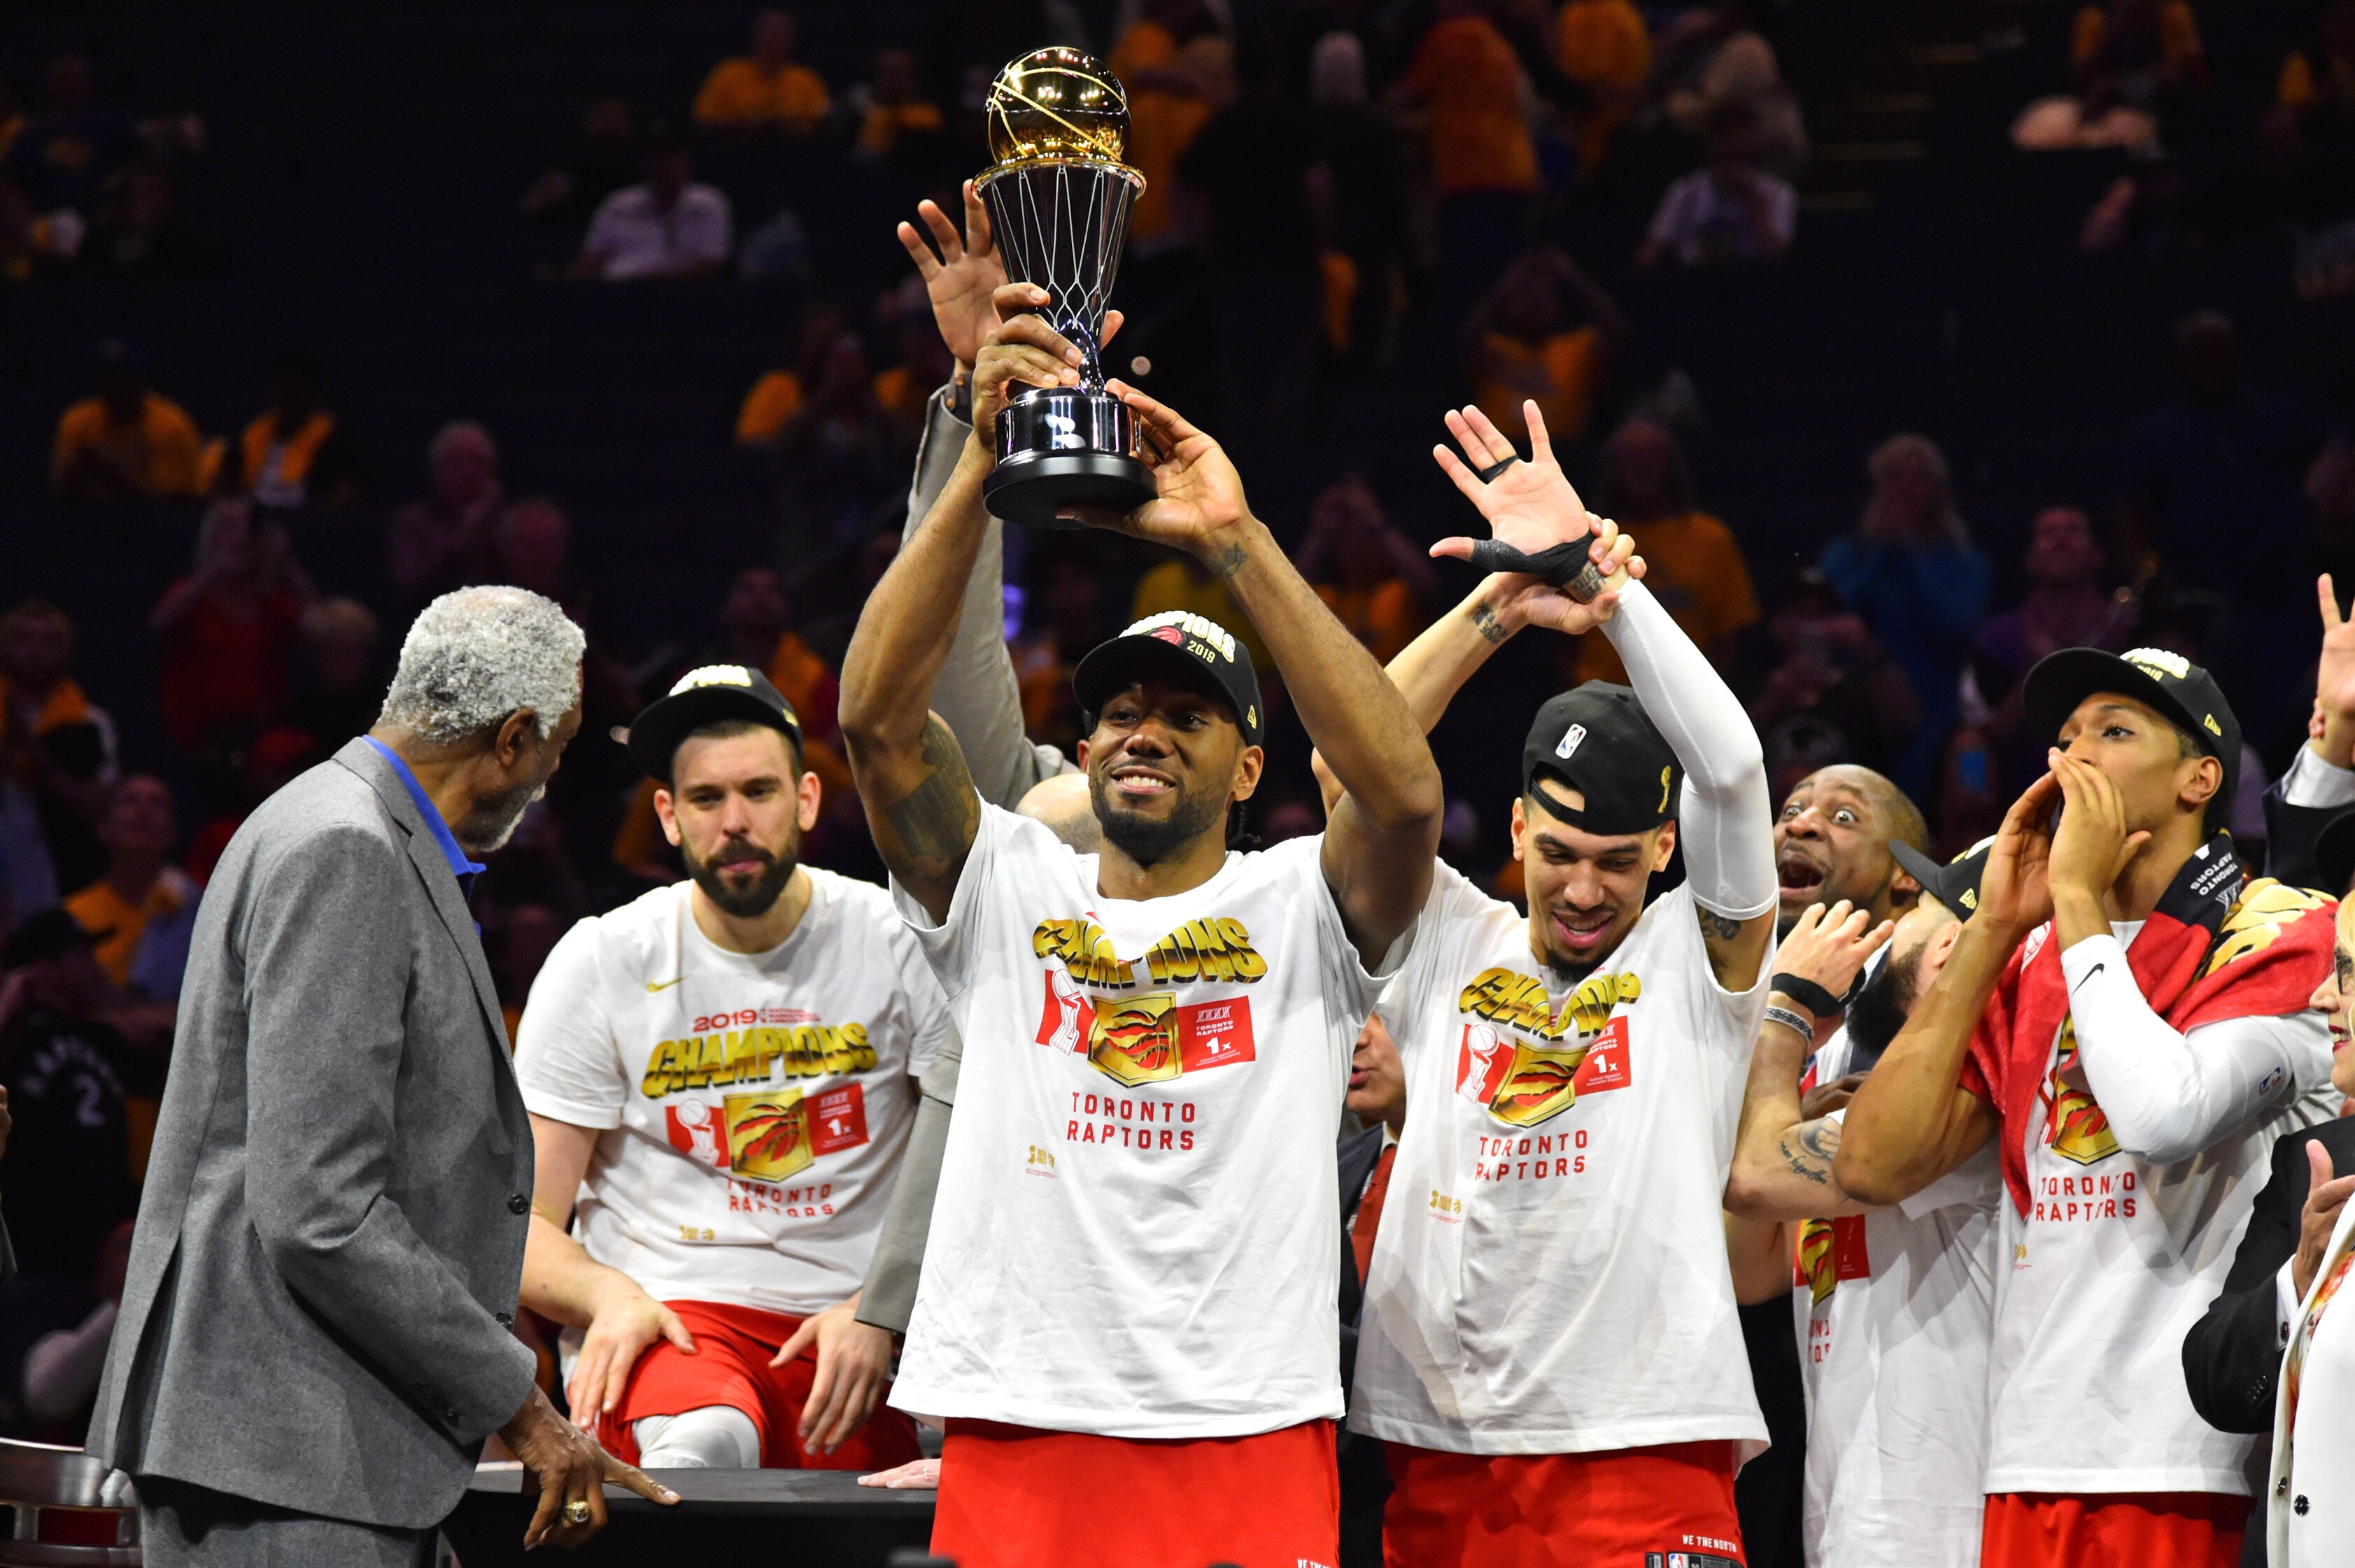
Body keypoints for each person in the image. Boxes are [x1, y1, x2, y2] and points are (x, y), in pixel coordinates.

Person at [835, 285, 1443, 1567]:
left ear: (1244, 768)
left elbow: (1401, 792)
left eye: (1188, 712)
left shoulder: (1300, 906)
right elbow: (877, 722)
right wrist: (982, 465)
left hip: (1248, 1422)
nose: (1143, 730)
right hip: (1020, 1412)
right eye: (1118, 711)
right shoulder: (1006, 888)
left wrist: (1237, 541)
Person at [87, 586, 676, 1561]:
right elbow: (321, 1206)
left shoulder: (325, 820)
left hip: (314, 1455)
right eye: (559, 749)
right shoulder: (346, 849)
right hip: (280, 1457)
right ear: (513, 735)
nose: (549, 780)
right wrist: (518, 1403)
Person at [1345, 400, 1779, 1565]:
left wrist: (1604, 586)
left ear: (1662, 853)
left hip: (1645, 1446)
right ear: (1522, 827)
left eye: (1615, 862)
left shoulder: (1695, 957)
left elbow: (1733, 773)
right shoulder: (1449, 934)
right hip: (1437, 1448)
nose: (1583, 891)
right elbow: (1359, 767)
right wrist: (1495, 608)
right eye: (1560, 855)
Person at [1835, 645, 2340, 1568]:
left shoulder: (2278, 931)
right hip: (2024, 1448)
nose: (2072, 759)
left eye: (2112, 732)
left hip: (2187, 1458)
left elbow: (2161, 1116)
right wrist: (1991, 925)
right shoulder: (2028, 954)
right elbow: (1870, 1164)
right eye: (2063, 738)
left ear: (2200, 777)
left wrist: (2069, 900)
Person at [514, 665, 940, 1471]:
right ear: (669, 819)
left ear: (807, 799)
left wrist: (884, 1310)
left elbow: (973, 1172)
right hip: (673, 1319)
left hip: (848, 1333)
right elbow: (521, 1229)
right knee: (708, 1444)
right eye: (707, 800)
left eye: (759, 791)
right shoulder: (604, 960)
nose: (735, 821)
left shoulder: (897, 940)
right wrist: (611, 1296)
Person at [1724, 843, 2003, 1568]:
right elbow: (1748, 1267)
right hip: (1861, 1520)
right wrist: (1790, 1120)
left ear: (1947, 949)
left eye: (1913, 908)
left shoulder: (1966, 1095)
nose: (1894, 927)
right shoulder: (1877, 1109)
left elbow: (1753, 1176)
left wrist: (1785, 1001)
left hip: (1936, 1531)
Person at [2181, 819, 2355, 1567]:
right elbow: (2218, 1382)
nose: (2323, 997)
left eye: (2346, 969)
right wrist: (2300, 1277)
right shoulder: (2314, 1165)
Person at [1817, 433, 1992, 800]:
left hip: (1938, 717)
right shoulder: (1849, 554)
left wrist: (1909, 551)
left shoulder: (1965, 563)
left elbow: (1956, 628)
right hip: (1859, 712)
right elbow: (1832, 614)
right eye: (1895, 477)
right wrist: (1883, 548)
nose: (1907, 489)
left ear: (1939, 488)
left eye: (1919, 478)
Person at [1571, 418, 1757, 687]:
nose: (1642, 465)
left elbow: (1728, 636)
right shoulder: (1588, 537)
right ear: (1612, 467)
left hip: (1686, 698)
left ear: (1672, 463)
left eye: (1652, 455)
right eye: (1631, 457)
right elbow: (1565, 639)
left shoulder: (1711, 538)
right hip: (1600, 698)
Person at [150, 500, 315, 756]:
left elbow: (319, 627)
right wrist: (211, 572)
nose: (239, 537)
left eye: (246, 529)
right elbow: (160, 623)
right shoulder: (192, 597)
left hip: (258, 741)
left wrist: (286, 562)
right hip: (194, 743)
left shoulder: (269, 602)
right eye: (228, 528)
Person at [1336, 1013, 1407, 1568]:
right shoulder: (1328, 1164)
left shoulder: (1491, 1168)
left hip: (1431, 1473)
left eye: (1382, 1016)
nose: (1360, 1036)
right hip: (1332, 1481)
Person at [1464, 248, 1629, 448]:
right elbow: (1466, 338)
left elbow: (1616, 330)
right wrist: (1511, 281)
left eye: (1544, 298)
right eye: (1527, 298)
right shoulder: (1492, 349)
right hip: (1498, 458)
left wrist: (1571, 277)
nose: (1535, 305)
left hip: (1565, 458)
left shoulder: (1578, 348)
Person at [64, 776, 198, 1002]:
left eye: (157, 804)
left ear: (172, 833)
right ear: (104, 828)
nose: (144, 811)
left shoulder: (192, 904)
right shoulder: (73, 914)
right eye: (129, 801)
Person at [1771, 764, 1928, 939]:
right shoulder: (1742, 960)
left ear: (1906, 872)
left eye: (1844, 817)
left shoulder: (1944, 965)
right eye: (1792, 811)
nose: (1798, 824)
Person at [1638, 98, 1797, 267]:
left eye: (1741, 132)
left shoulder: (1779, 192)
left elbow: (1777, 257)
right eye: (1725, 134)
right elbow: (1650, 252)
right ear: (1711, 140)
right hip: (1693, 285)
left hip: (1753, 285)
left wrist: (1755, 203)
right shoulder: (1685, 190)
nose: (1734, 142)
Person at [51, 339, 211, 503]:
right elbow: (61, 489)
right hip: (86, 521)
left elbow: (174, 502)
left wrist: (109, 472)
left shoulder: (172, 426)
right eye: (108, 379)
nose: (116, 388)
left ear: (140, 380)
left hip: (154, 524)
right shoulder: (77, 421)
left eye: (124, 379)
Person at [1295, 476, 1434, 665]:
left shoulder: (1399, 595)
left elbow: (1427, 587)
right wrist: (1321, 531)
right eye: (1346, 537)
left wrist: (1375, 520)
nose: (1356, 546)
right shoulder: (1329, 600)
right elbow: (1288, 597)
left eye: (1363, 534)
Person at [575, 125, 731, 281]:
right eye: (654, 159)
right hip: (615, 294)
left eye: (668, 158)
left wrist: (651, 281)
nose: (661, 166)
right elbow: (592, 259)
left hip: (682, 295)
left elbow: (711, 263)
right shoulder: (618, 203)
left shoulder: (708, 203)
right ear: (642, 165)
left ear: (686, 162)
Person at [388, 421, 504, 612]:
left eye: (477, 461)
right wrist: (470, 525)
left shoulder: (508, 525)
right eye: (456, 460)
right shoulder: (413, 524)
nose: (467, 471)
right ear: (436, 467)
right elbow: (412, 586)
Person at [235, 351, 364, 514]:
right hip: (253, 524)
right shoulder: (251, 436)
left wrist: (312, 513)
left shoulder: (334, 439)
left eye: (294, 390)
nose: (285, 396)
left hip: (305, 525)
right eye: (280, 387)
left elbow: (349, 492)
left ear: (311, 393)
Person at [694, 10, 830, 134]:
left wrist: (794, 125)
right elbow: (704, 119)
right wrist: (741, 124)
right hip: (737, 149)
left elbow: (824, 120)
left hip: (792, 152)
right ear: (756, 36)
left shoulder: (806, 79)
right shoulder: (728, 73)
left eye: (780, 35)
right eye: (769, 34)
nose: (774, 41)